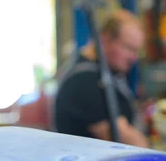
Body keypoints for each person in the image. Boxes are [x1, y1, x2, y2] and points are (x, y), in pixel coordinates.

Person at [54, 9, 149, 148]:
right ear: (104, 39)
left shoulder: (105, 75)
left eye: (137, 51)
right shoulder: (85, 82)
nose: (133, 58)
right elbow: (128, 140)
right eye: (129, 48)